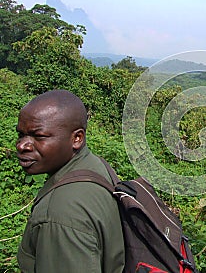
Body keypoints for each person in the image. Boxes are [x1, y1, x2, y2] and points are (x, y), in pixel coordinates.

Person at [16, 89, 125, 273]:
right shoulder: (95, 166)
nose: (22, 146)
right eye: (21, 135)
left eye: (39, 136)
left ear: (77, 138)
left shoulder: (59, 215)